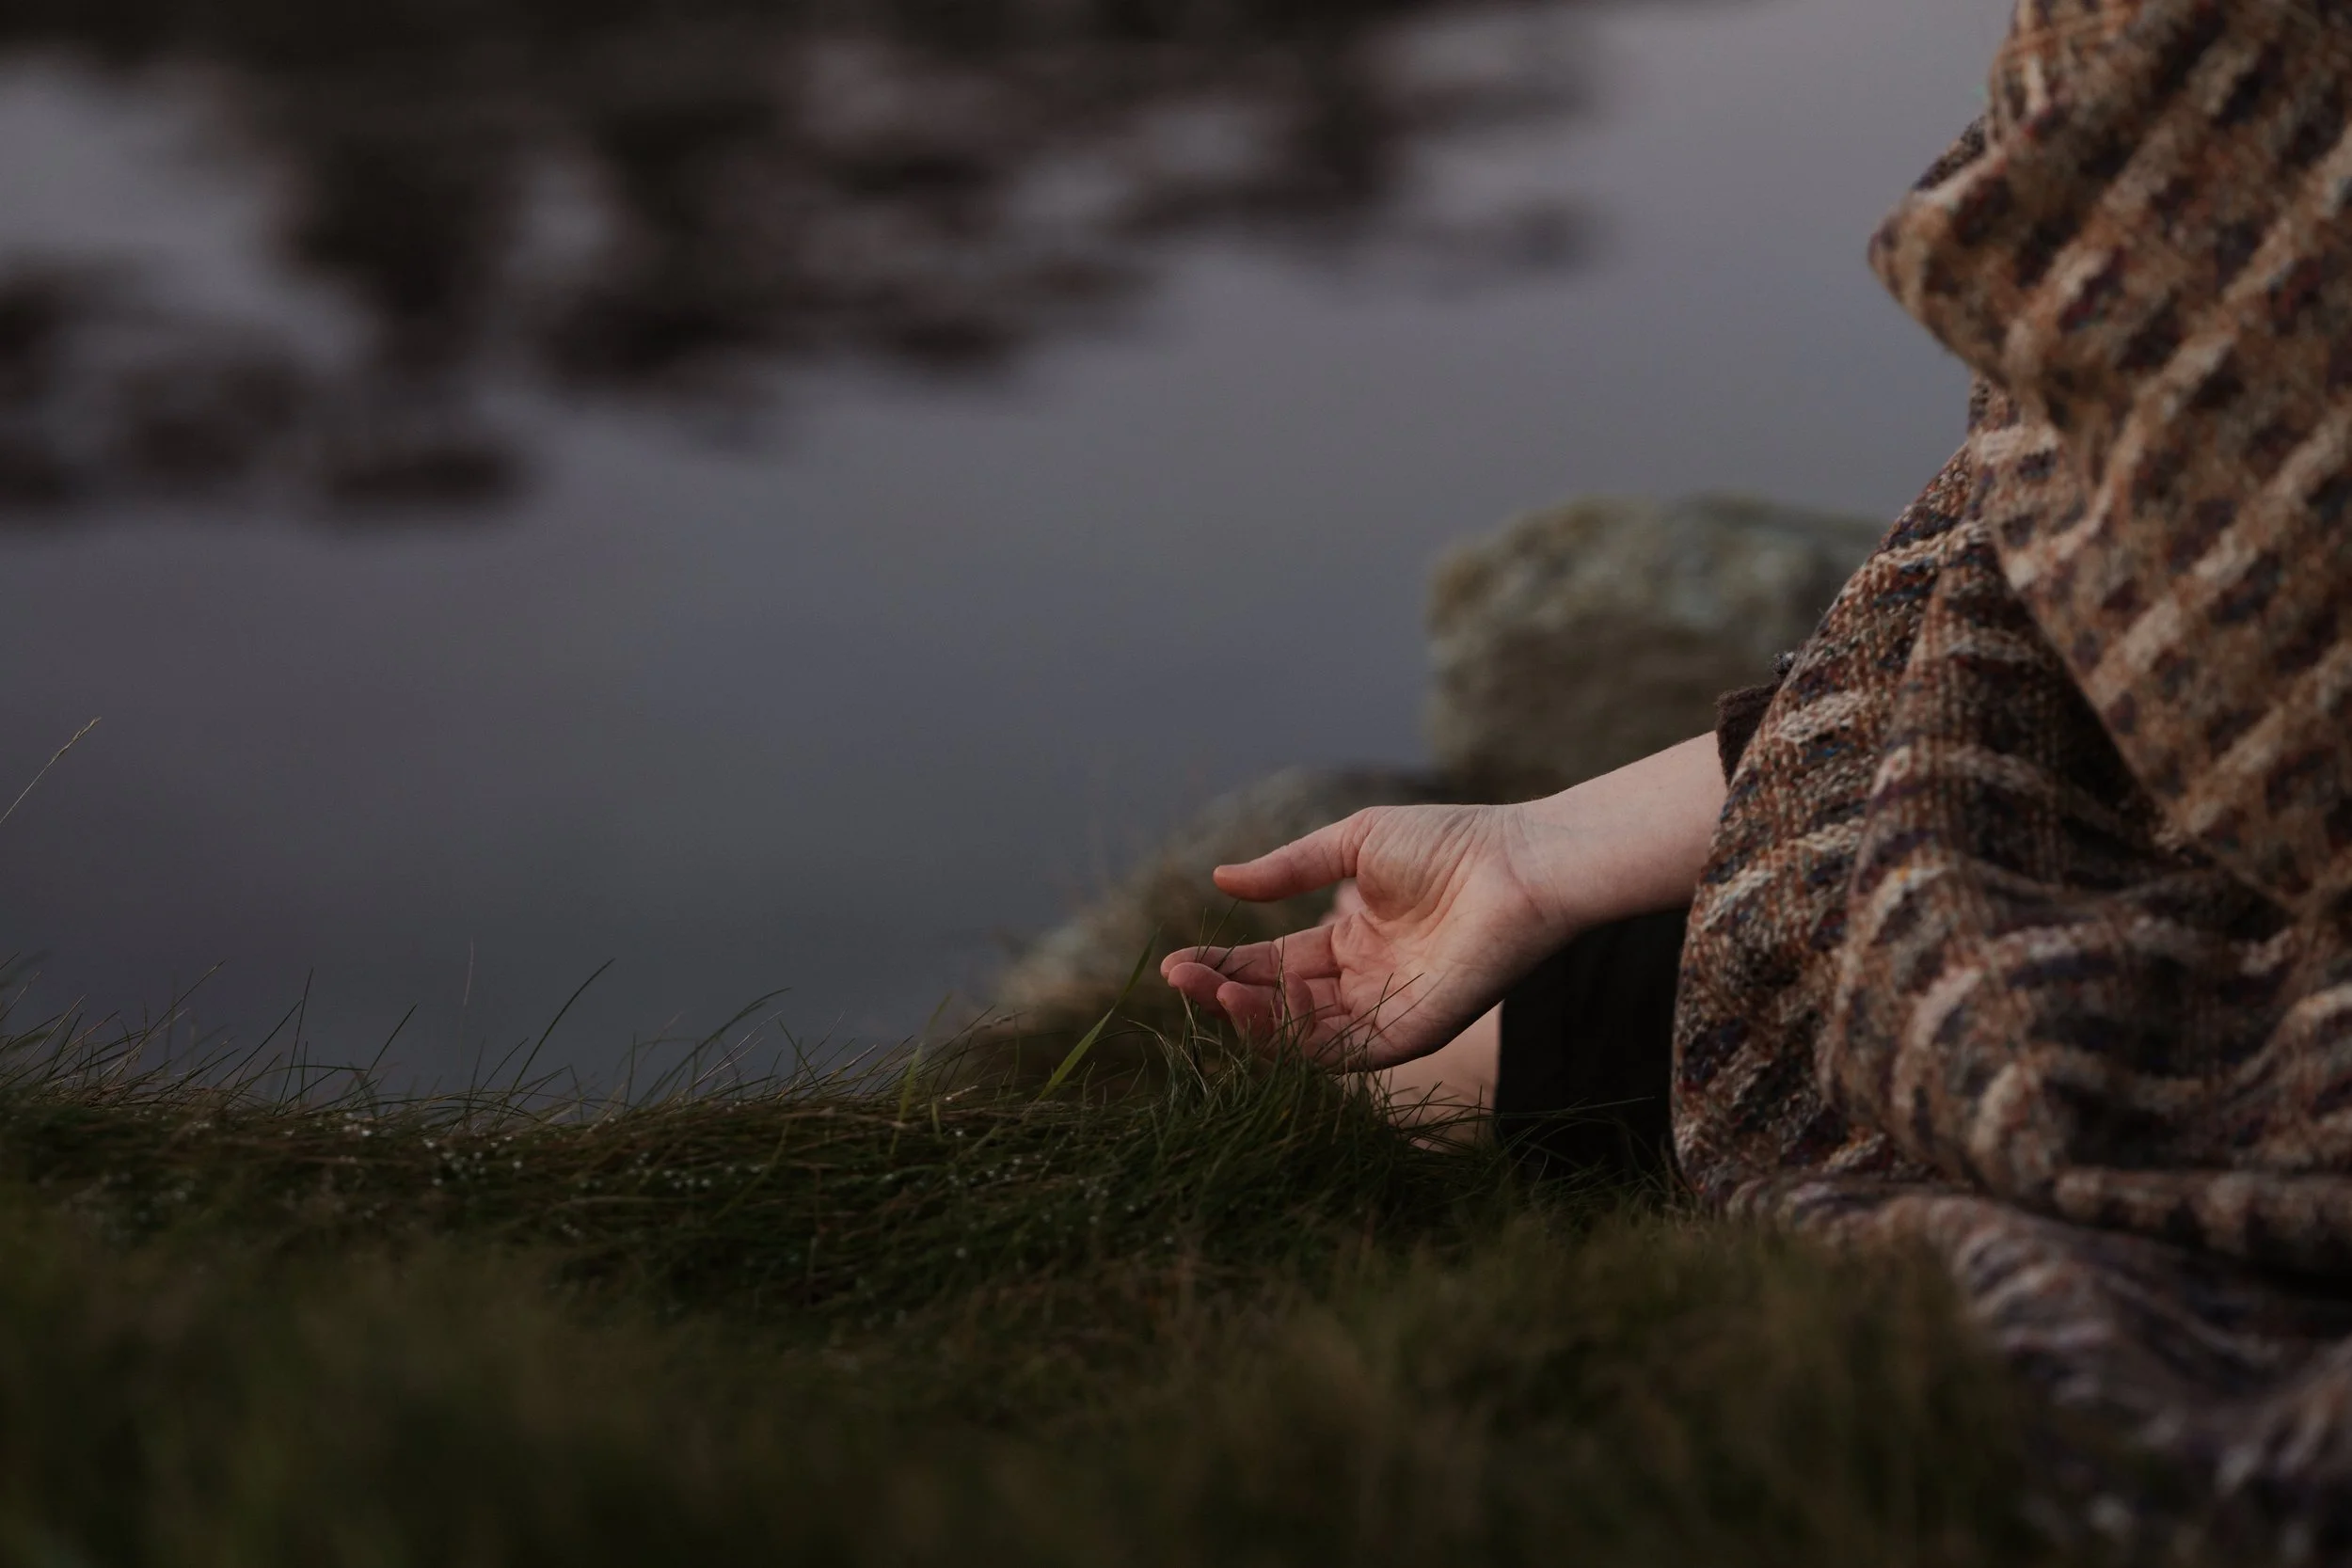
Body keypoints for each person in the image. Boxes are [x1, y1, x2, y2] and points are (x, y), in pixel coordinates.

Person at [1165, 0, 2352, 1546]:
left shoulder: (2235, 82)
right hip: (2159, 859)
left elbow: (2246, 695)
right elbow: (2029, 634)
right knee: (1435, 1068)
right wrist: (1537, 855)